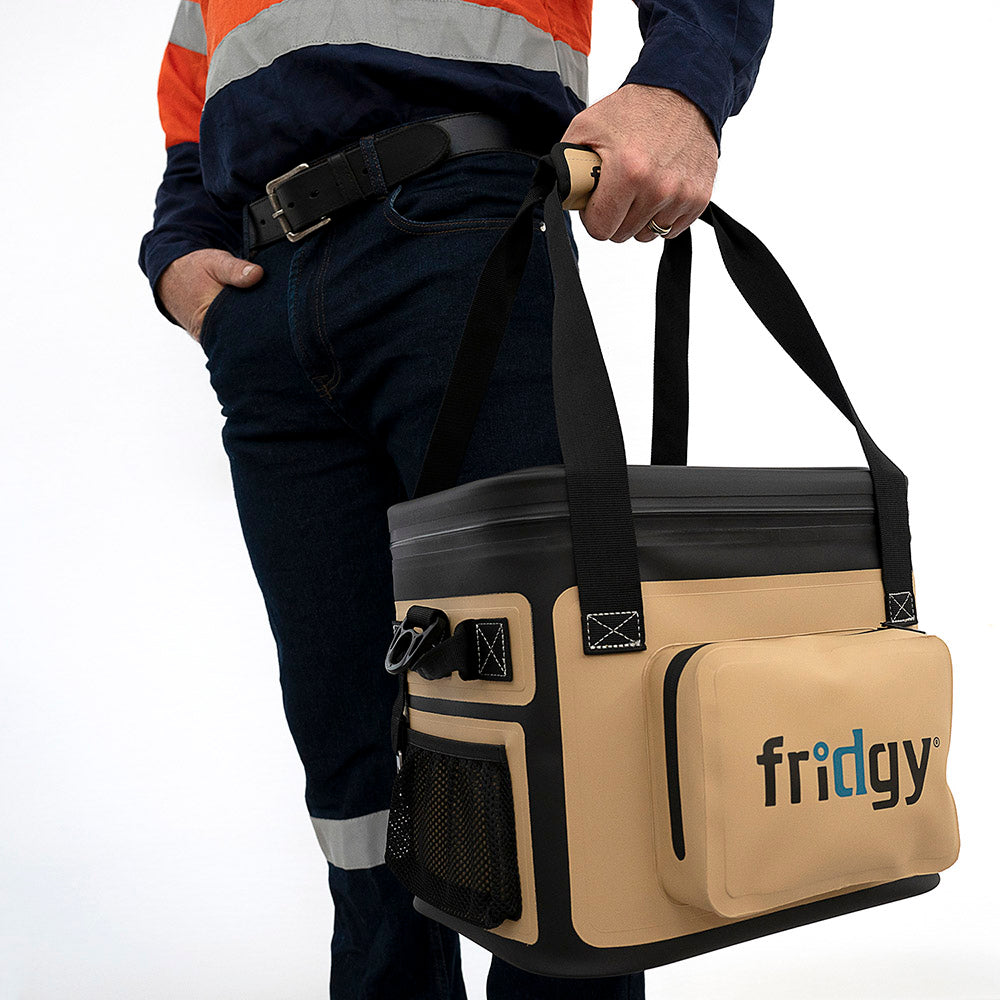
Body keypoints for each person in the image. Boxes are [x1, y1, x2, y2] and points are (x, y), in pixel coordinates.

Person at [138, 2, 773, 997]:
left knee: (559, 739)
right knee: (354, 764)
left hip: (464, 231)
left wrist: (683, 87)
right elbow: (192, 115)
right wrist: (178, 255)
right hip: (268, 299)